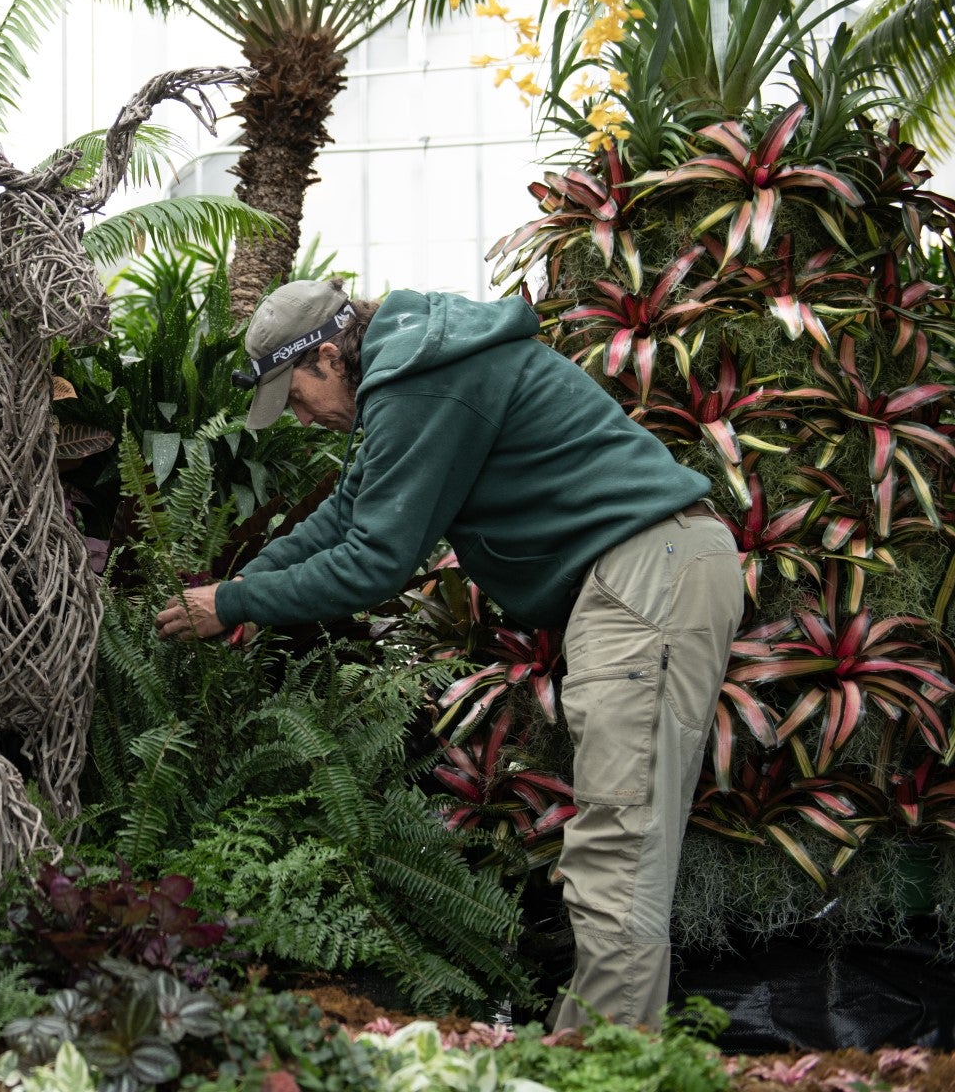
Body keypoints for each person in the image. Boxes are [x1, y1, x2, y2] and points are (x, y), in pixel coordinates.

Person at [155, 278, 744, 1030]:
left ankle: (605, 1073)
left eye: (297, 395)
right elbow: (346, 511)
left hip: (647, 580)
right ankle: (590, 1064)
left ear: (331, 356)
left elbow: (375, 562)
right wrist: (240, 584)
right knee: (613, 851)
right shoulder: (420, 367)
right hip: (640, 579)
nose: (301, 418)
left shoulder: (423, 382)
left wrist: (232, 605)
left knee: (618, 856)